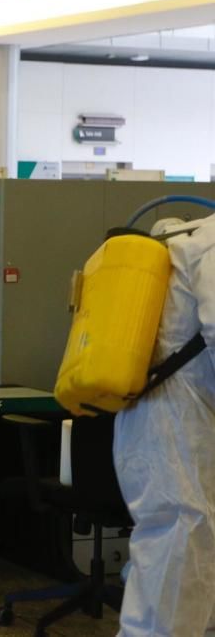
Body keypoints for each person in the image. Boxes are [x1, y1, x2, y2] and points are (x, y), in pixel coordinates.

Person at [113, 213, 215, 636]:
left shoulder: (193, 235)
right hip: (175, 429)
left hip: (169, 421)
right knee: (176, 567)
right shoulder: (208, 247)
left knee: (186, 565)